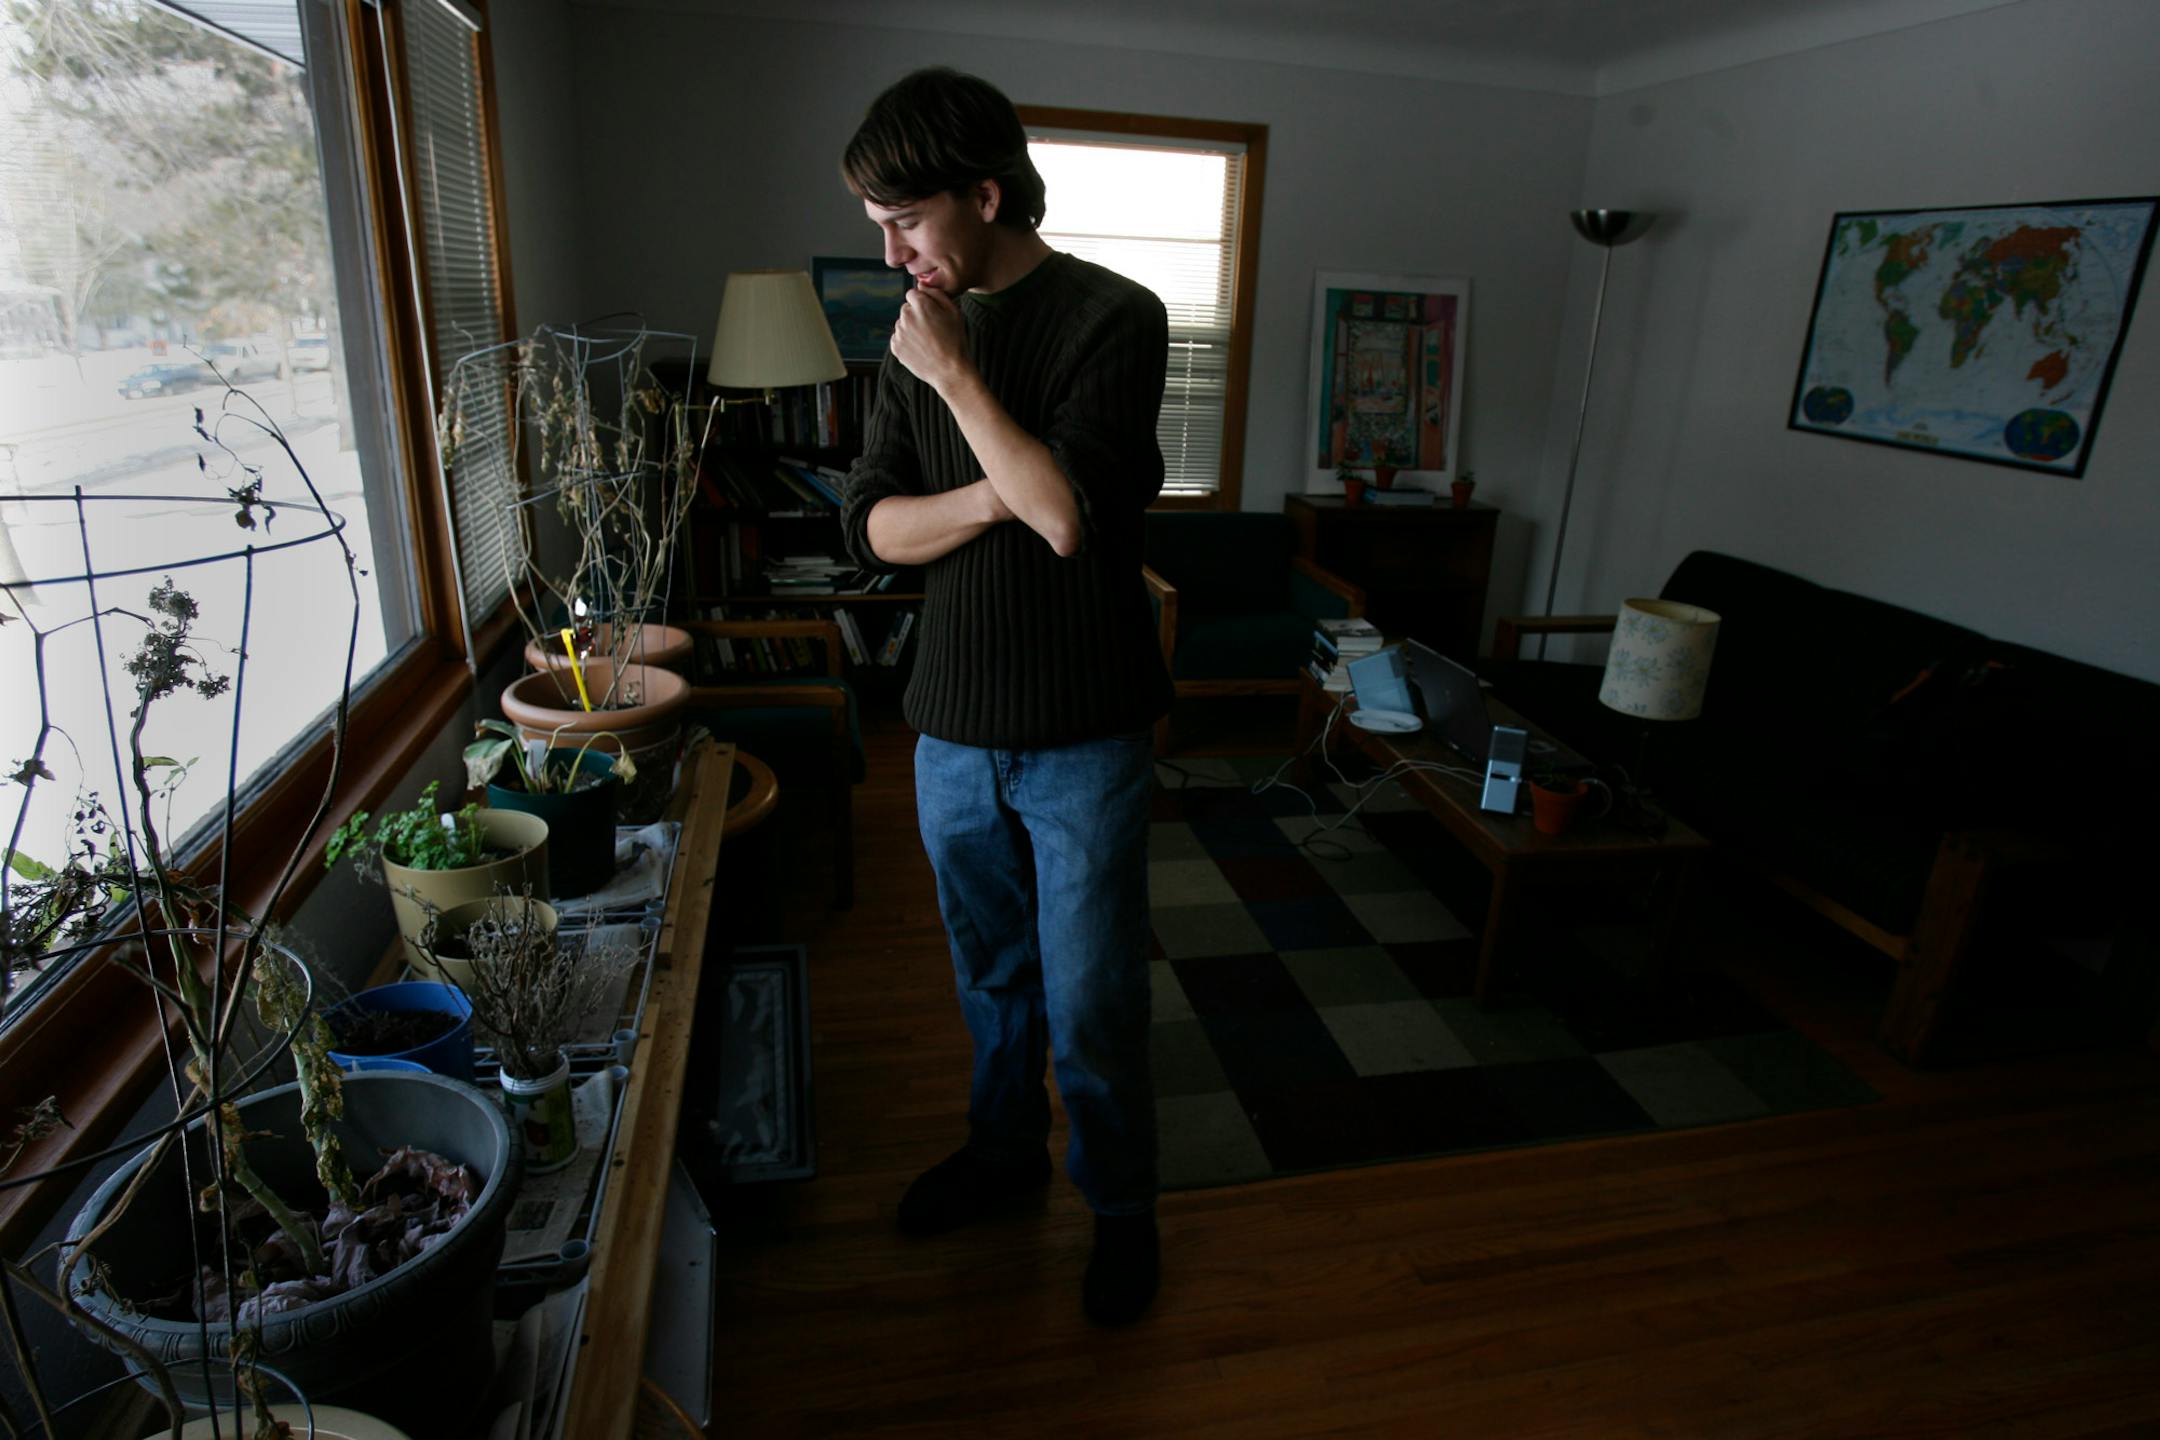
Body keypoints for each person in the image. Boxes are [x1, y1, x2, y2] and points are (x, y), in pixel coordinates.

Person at [836, 66, 1174, 1326]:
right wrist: (1000, 494)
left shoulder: (1115, 318)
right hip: (951, 730)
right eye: (877, 225)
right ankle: (1002, 1156)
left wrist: (962, 383)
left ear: (985, 195)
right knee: (992, 975)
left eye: (906, 220)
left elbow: (1071, 524)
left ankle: (1122, 1211)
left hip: (1086, 731)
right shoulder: (912, 327)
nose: (892, 252)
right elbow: (873, 528)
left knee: (1093, 999)